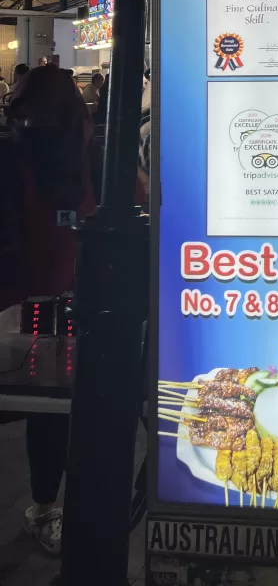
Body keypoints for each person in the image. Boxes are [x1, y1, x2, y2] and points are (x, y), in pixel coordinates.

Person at [0, 66, 96, 554]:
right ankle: (44, 507)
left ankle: (44, 507)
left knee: (49, 413)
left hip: (38, 314)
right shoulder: (90, 161)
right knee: (50, 414)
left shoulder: (13, 159)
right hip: (54, 314)